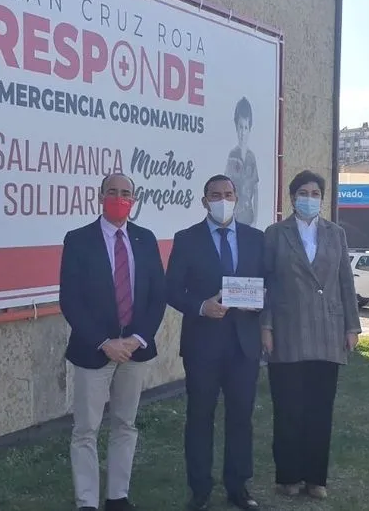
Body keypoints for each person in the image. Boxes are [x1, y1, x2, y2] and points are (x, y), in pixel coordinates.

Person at [59, 173, 167, 511]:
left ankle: (117, 497)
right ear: (100, 196)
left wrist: (136, 339)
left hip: (134, 350)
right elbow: (70, 300)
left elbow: (156, 296)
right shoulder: (78, 240)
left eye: (125, 193)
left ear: (133, 199)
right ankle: (87, 502)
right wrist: (105, 342)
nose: (119, 198)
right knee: (86, 429)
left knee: (125, 423)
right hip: (95, 350)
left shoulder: (145, 239)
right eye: (112, 192)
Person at [260, 170, 362, 501]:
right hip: (287, 331)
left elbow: (346, 281)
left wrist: (352, 326)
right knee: (288, 408)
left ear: (322, 197)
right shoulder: (276, 233)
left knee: (320, 409)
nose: (309, 197)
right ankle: (288, 476)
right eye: (303, 192)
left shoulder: (336, 233)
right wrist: (266, 325)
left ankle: (316, 478)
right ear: (292, 198)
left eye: (315, 192)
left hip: (328, 331)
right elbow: (268, 284)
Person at [166, 175, 265, 510]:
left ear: (236, 198)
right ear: (204, 200)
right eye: (215, 195)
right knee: (200, 416)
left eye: (228, 194)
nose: (222, 199)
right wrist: (200, 306)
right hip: (202, 345)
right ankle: (200, 488)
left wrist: (260, 299)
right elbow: (172, 290)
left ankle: (238, 487)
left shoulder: (255, 239)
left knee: (241, 417)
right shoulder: (186, 239)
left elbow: (272, 283)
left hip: (243, 345)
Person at [224, 97, 259, 226]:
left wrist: (255, 219)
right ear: (236, 127)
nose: (242, 132)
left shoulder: (251, 157)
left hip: (249, 219)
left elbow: (255, 191)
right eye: (240, 127)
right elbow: (225, 187)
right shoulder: (232, 155)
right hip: (234, 219)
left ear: (249, 128)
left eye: (245, 127)